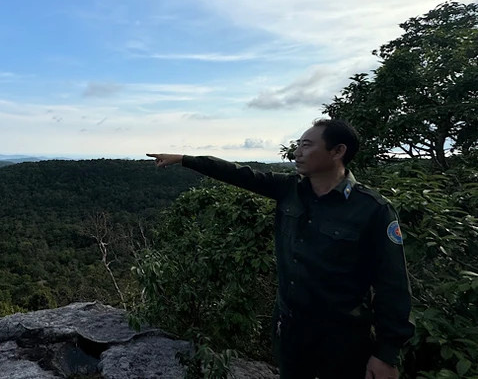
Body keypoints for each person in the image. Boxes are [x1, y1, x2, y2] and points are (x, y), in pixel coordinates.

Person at [147, 119, 414, 379]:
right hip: (290, 330)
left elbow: (393, 285)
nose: (297, 152)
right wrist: (184, 159)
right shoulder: (289, 189)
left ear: (338, 151)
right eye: (298, 145)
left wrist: (386, 354)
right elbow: (239, 174)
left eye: (307, 145)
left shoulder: (373, 210)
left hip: (344, 339)